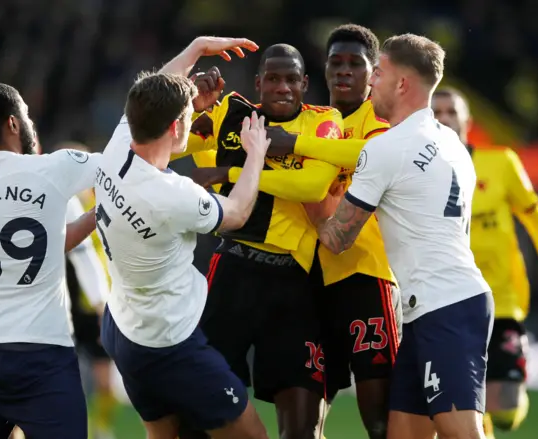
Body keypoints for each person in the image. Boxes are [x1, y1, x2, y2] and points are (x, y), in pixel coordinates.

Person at [304, 34, 493, 439]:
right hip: (442, 303)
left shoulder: (386, 148)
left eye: (381, 71)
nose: (371, 80)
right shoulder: (453, 142)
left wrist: (308, 193)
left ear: (402, 84)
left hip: (443, 307)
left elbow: (338, 238)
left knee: (463, 433)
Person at [96, 37, 270, 439]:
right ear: (176, 128)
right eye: (190, 117)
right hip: (168, 344)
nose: (195, 119)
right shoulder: (172, 196)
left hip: (123, 327)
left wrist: (194, 50)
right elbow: (239, 211)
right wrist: (255, 151)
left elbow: (155, 88)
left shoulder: (117, 148)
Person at [235, 25, 401, 439]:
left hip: (365, 277)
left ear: (374, 73)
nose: (344, 72)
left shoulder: (378, 122)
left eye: (355, 64)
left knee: (381, 422)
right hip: (308, 283)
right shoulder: (308, 120)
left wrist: (291, 145)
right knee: (301, 430)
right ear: (323, 71)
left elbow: (371, 158)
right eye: (335, 63)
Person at [177, 43, 345, 439]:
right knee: (201, 411)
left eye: (291, 79)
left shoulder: (323, 122)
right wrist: (192, 105)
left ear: (305, 84)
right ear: (258, 84)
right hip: (233, 270)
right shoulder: (230, 114)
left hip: (296, 284)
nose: (282, 87)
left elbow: (312, 185)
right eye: (273, 78)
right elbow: (167, 142)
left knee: (303, 427)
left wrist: (228, 174)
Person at [0, 82, 102, 439]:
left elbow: (40, 245)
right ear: (13, 124)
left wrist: (94, 216)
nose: (30, 122)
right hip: (44, 355)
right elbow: (127, 160)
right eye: (27, 115)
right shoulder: (52, 170)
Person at [432, 87, 538, 438]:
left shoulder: (501, 162)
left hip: (503, 297)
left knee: (505, 409)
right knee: (463, 395)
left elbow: (534, 214)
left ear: (467, 121)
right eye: (437, 112)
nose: (444, 118)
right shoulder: (420, 171)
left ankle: (500, 414)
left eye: (451, 112)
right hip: (449, 299)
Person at [58, 141, 118, 439]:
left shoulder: (102, 208)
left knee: (104, 379)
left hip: (93, 305)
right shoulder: (54, 206)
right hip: (64, 307)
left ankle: (101, 428)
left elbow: (104, 261)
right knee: (65, 380)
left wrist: (103, 302)